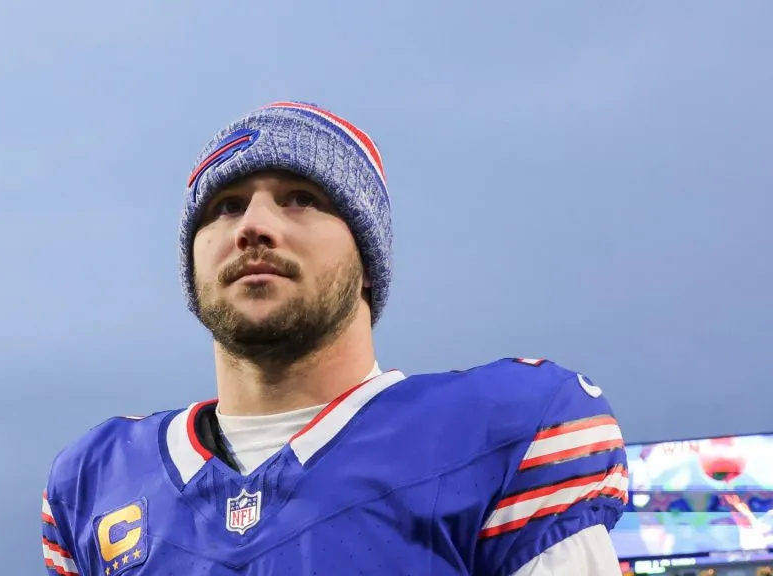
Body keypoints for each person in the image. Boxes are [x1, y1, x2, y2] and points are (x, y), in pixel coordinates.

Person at [41, 101, 629, 575]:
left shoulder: (501, 431)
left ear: (368, 260)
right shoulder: (95, 480)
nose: (253, 226)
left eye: (302, 199)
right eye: (225, 207)